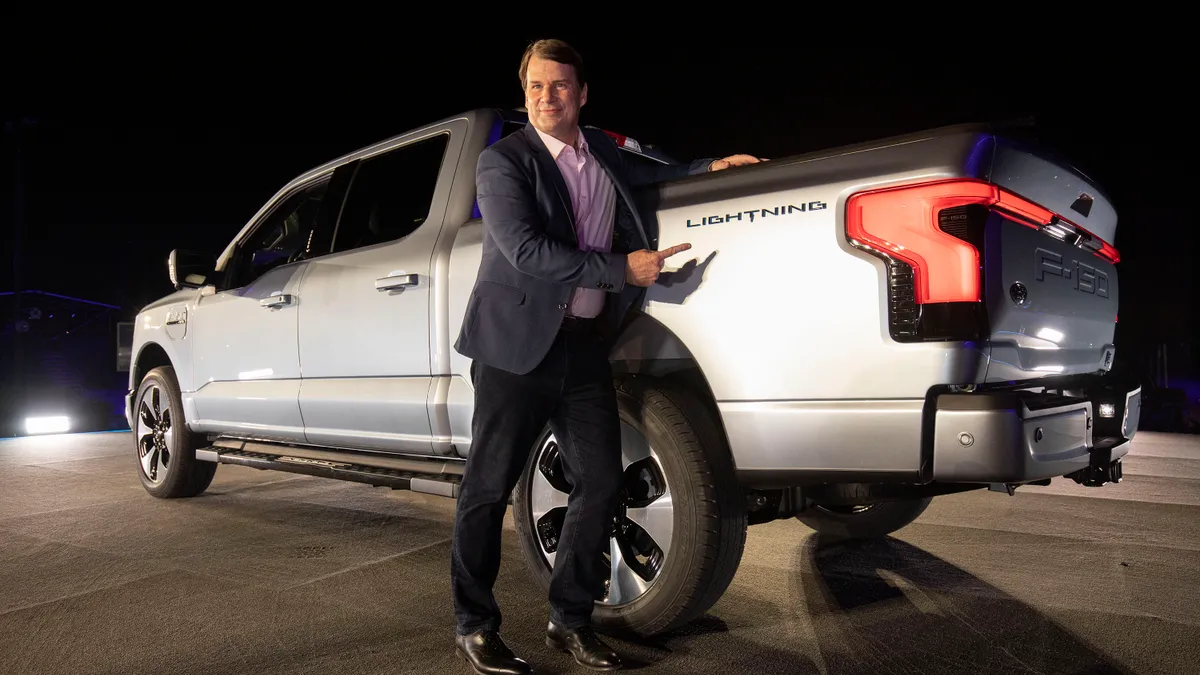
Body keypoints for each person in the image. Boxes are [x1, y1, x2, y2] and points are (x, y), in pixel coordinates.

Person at [450, 38, 762, 674]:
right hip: (515, 351)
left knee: (601, 481)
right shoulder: (504, 163)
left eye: (559, 86)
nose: (546, 98)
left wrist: (709, 169)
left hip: (584, 349)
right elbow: (527, 250)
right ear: (525, 91)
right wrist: (625, 268)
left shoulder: (603, 154)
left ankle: (569, 620)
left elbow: (653, 174)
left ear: (581, 93)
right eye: (536, 87)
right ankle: (475, 625)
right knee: (487, 490)